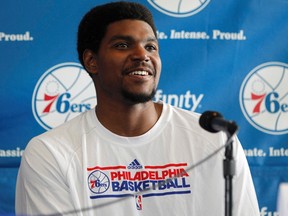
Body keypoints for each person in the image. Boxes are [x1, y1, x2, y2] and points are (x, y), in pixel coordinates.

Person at [16, 1, 260, 216]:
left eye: (151, 47)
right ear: (92, 61)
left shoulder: (215, 139)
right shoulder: (50, 153)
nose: (142, 55)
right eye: (123, 45)